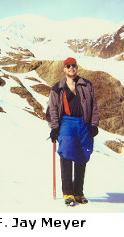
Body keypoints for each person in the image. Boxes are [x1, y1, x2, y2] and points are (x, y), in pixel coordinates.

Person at [46, 57, 99, 206]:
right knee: (67, 153)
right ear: (64, 68)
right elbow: (52, 109)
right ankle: (68, 192)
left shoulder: (86, 85)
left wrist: (94, 124)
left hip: (83, 123)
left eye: (73, 66)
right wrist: (55, 127)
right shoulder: (58, 88)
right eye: (68, 66)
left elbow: (94, 105)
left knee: (82, 154)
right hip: (66, 122)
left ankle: (78, 192)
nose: (71, 68)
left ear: (77, 67)